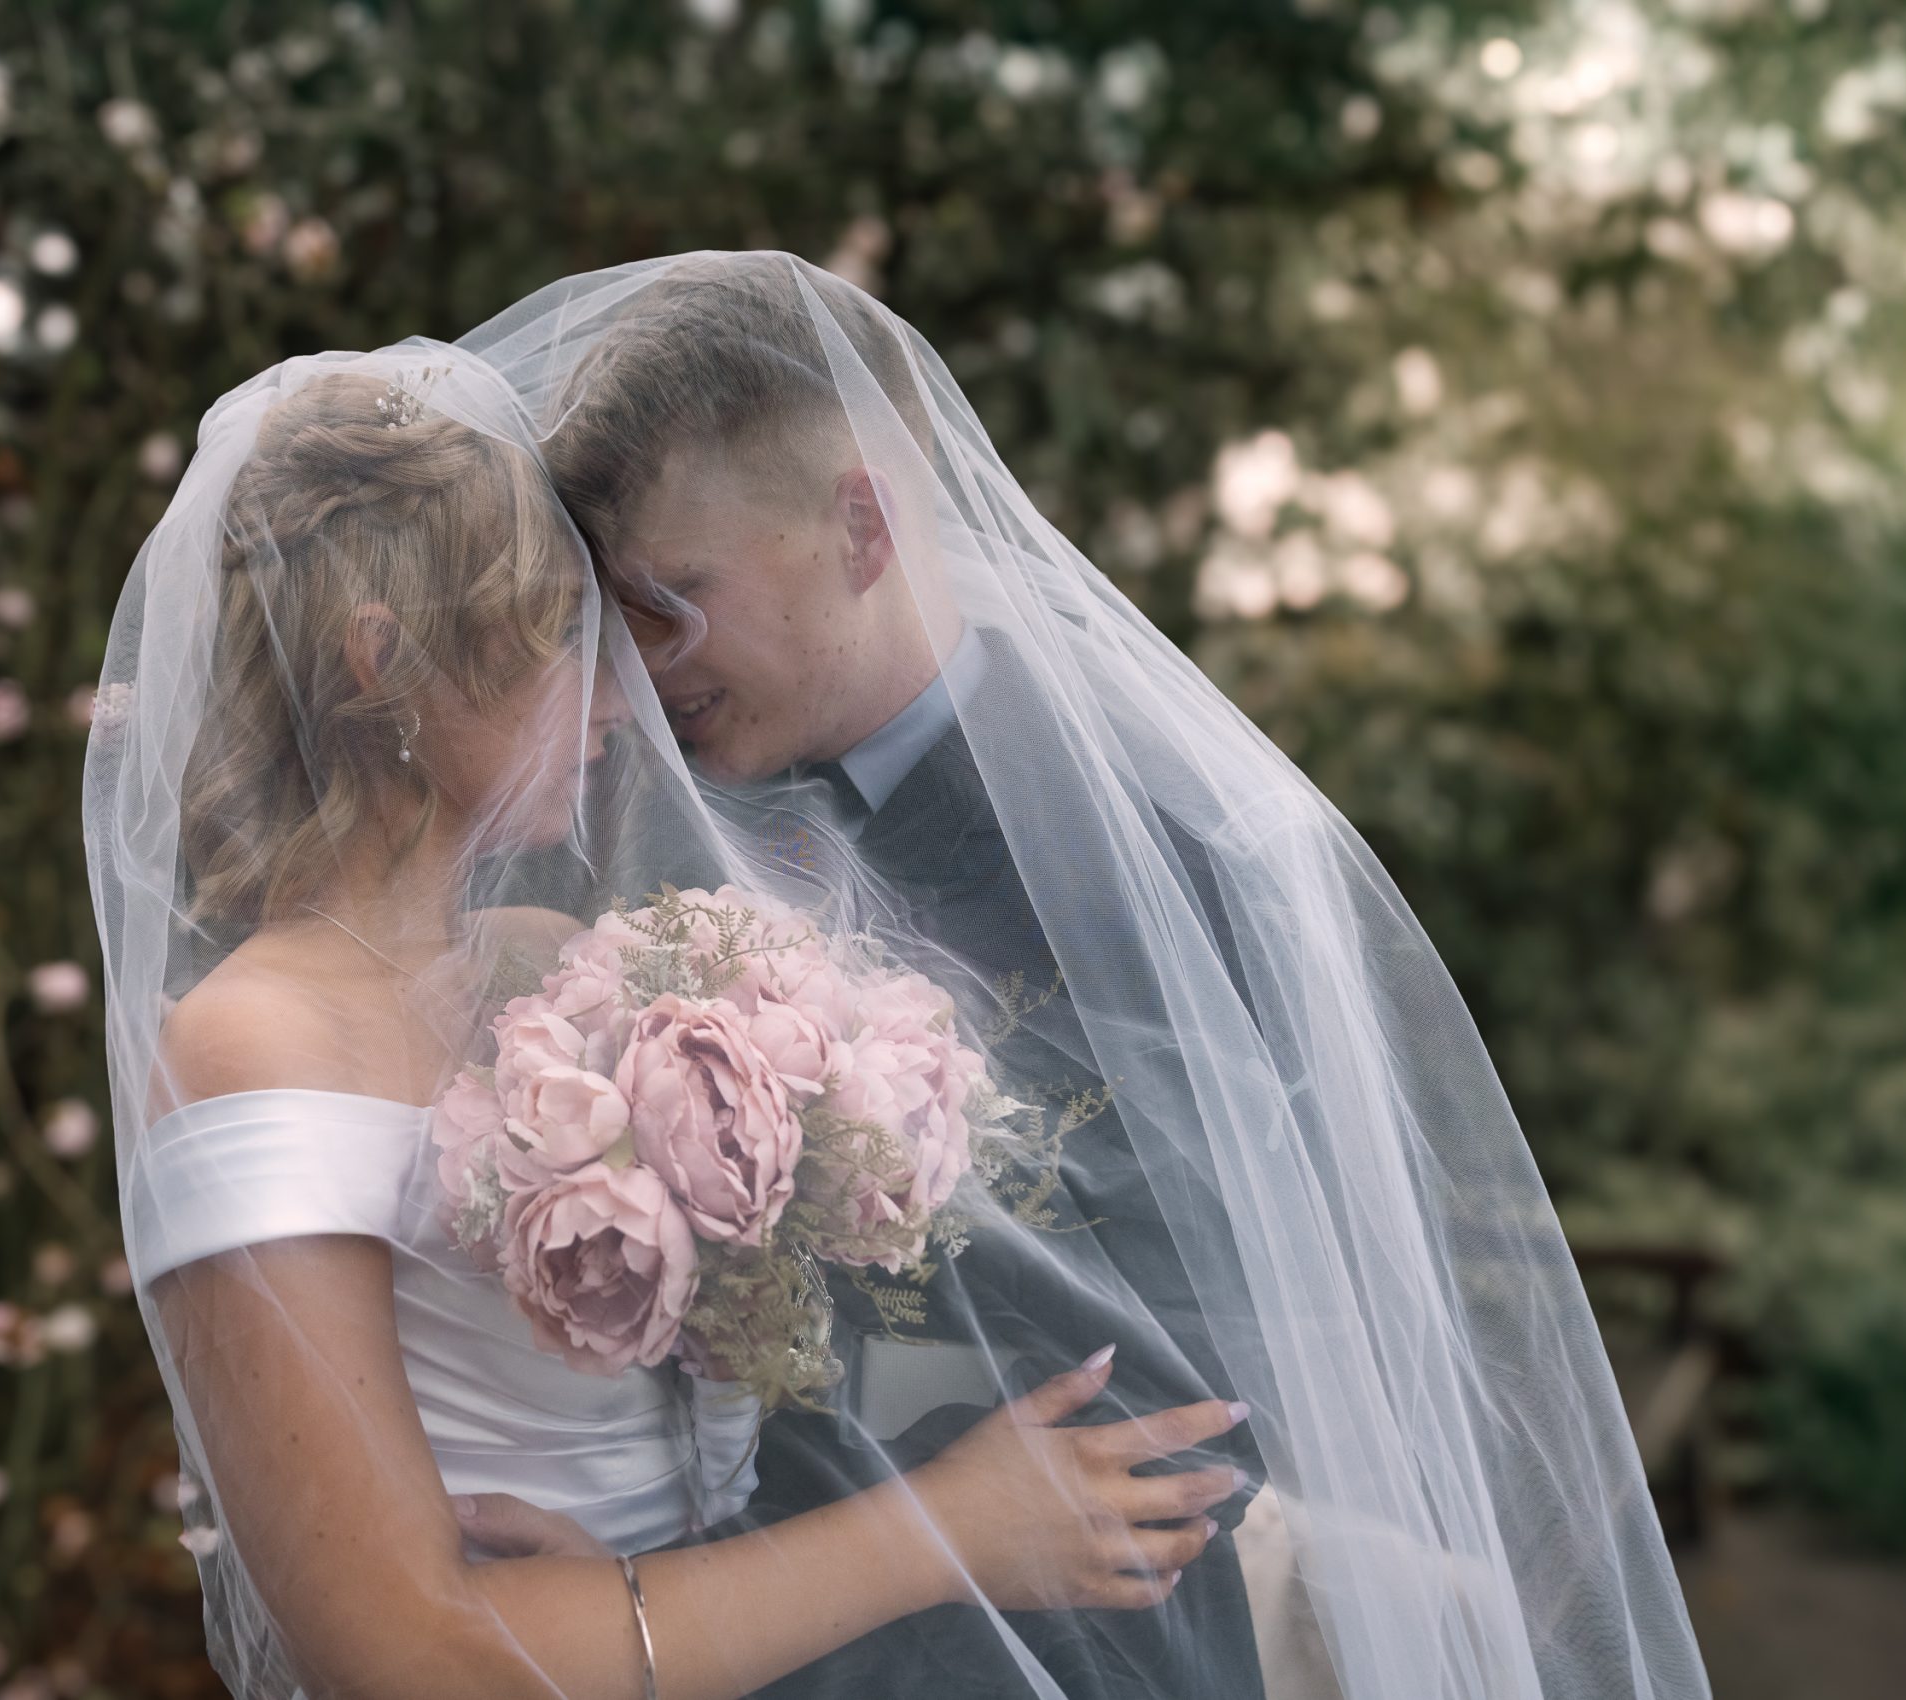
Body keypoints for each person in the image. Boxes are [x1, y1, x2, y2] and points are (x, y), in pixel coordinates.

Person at [457, 254, 1712, 1700]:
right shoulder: (657, 817)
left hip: (1080, 1641)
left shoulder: (1175, 851)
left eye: (674, 601)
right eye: (616, 613)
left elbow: (1173, 1379)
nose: (638, 665)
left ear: (861, 525)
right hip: (769, 1615)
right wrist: (642, 1561)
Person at [82, 347, 1249, 1700]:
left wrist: (646, 1568)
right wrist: (948, 1531)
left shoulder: (551, 972)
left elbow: (725, 1406)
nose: (619, 696)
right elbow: (412, 1655)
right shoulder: (250, 1045)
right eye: (558, 644)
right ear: (386, 665)